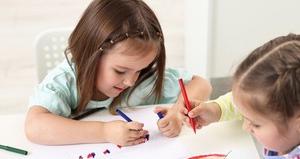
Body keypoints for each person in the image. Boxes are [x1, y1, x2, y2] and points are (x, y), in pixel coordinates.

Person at [25, 0, 211, 146]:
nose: (131, 81)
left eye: (140, 69)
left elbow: (201, 84)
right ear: (89, 55)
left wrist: (177, 113)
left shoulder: (143, 80)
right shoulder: (65, 81)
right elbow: (35, 126)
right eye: (120, 70)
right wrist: (104, 132)